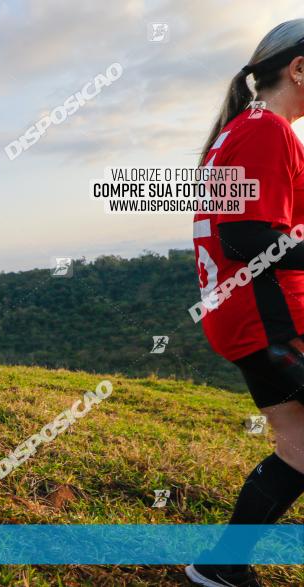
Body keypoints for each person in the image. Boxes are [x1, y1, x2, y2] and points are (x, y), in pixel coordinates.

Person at [189, 20, 304, 587]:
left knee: (301, 448)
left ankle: (221, 565)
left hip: (244, 316)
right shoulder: (267, 130)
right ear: (299, 68)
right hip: (269, 317)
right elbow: (247, 238)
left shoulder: (243, 128)